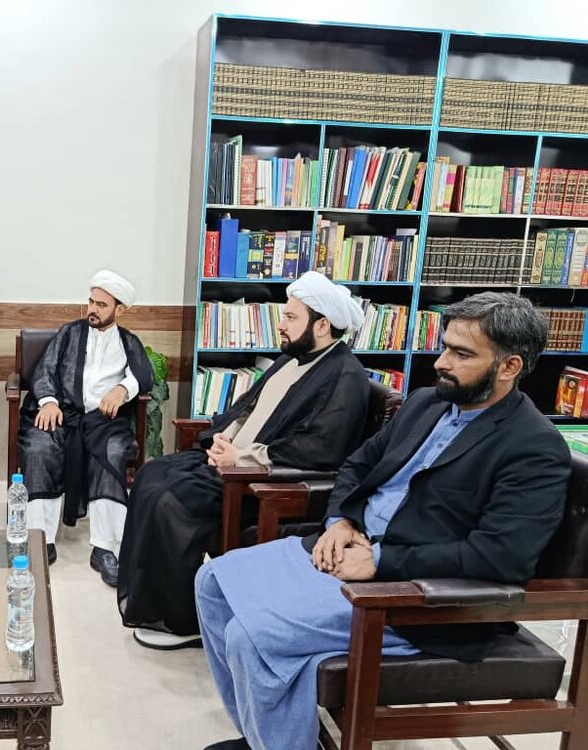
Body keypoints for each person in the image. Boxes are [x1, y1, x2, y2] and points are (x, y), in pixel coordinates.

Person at [196, 292, 571, 750]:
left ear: (509, 366)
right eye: (445, 347)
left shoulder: (533, 447)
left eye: (461, 354)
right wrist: (340, 520)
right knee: (211, 582)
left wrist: (380, 561)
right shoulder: (426, 404)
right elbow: (357, 464)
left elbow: (500, 556)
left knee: (251, 634)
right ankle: (264, 738)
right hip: (349, 550)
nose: (441, 362)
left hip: (414, 598)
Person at [119, 271, 371, 650]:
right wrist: (224, 438)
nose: (281, 325)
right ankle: (153, 603)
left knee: (172, 502)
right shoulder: (290, 359)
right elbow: (247, 408)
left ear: (322, 325)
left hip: (258, 483)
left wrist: (241, 457)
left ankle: (183, 620)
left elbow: (320, 449)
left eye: (291, 317)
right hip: (232, 463)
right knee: (152, 474)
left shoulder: (345, 377)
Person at [18, 270, 154, 585]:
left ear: (120, 309)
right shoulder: (69, 333)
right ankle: (40, 539)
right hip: (62, 413)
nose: (92, 309)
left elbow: (144, 375)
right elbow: (45, 370)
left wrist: (122, 389)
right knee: (40, 447)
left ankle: (105, 548)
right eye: (91, 301)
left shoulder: (128, 342)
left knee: (112, 451)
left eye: (101, 305)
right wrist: (48, 402)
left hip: (102, 421)